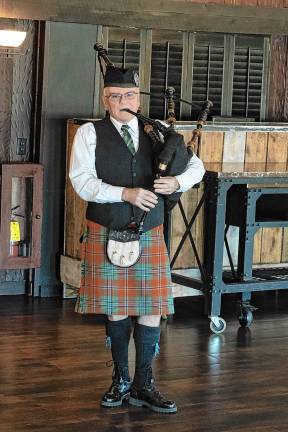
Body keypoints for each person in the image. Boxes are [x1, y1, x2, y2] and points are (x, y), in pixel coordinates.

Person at [69, 64, 205, 414]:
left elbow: (196, 168)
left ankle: (144, 383)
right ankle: (121, 379)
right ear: (105, 99)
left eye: (129, 95)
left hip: (148, 232)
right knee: (115, 309)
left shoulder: (157, 132)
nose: (123, 102)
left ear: (138, 97)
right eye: (115, 96)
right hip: (106, 227)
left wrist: (177, 184)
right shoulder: (89, 133)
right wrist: (125, 194)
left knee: (152, 309)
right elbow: (81, 181)